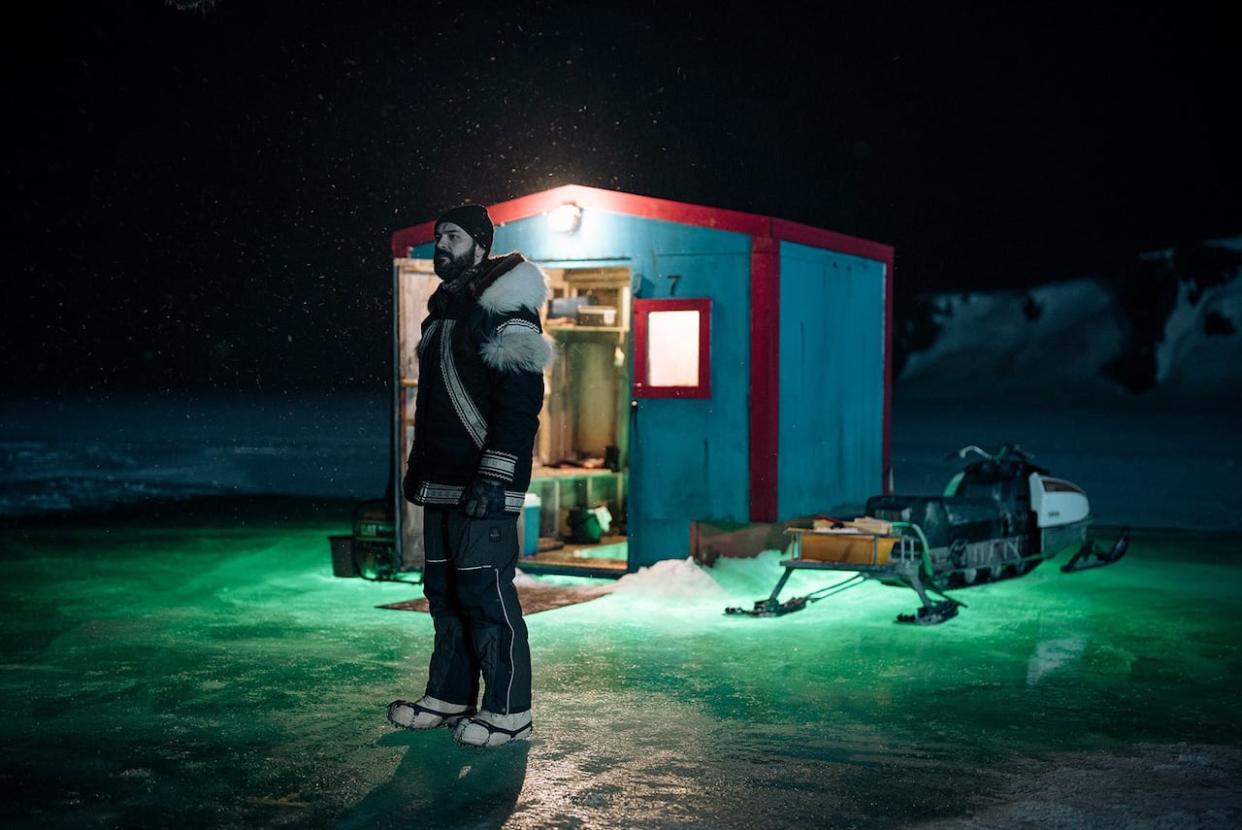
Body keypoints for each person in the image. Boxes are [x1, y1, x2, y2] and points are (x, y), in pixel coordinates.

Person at [387, 204, 553, 747]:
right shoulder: (441, 313)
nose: (442, 244)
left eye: (453, 236)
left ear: (481, 245)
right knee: (444, 593)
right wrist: (417, 472)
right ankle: (449, 696)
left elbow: (521, 401)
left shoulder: (508, 307)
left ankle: (510, 711)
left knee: (486, 595)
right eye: (438, 236)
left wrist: (495, 475)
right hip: (442, 482)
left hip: (485, 486)